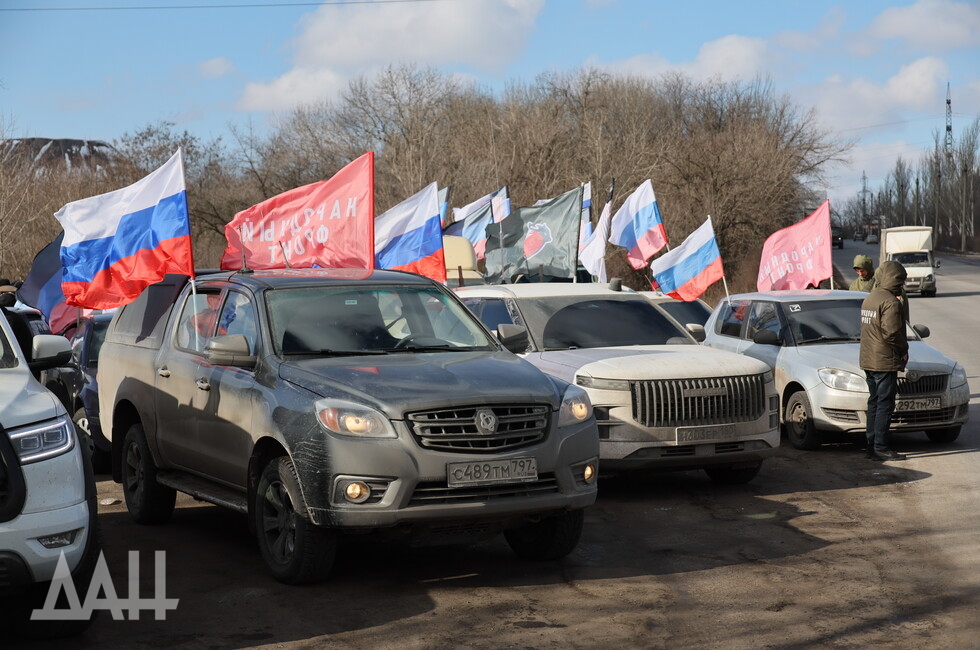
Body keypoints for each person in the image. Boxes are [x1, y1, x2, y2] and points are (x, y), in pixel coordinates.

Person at [859, 260, 909, 462]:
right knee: (885, 405)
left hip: (868, 359)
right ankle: (881, 447)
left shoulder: (869, 299)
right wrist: (903, 349)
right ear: (895, 279)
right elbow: (892, 333)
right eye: (901, 280)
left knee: (874, 403)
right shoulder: (891, 302)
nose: (902, 285)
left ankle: (871, 447)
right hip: (884, 361)